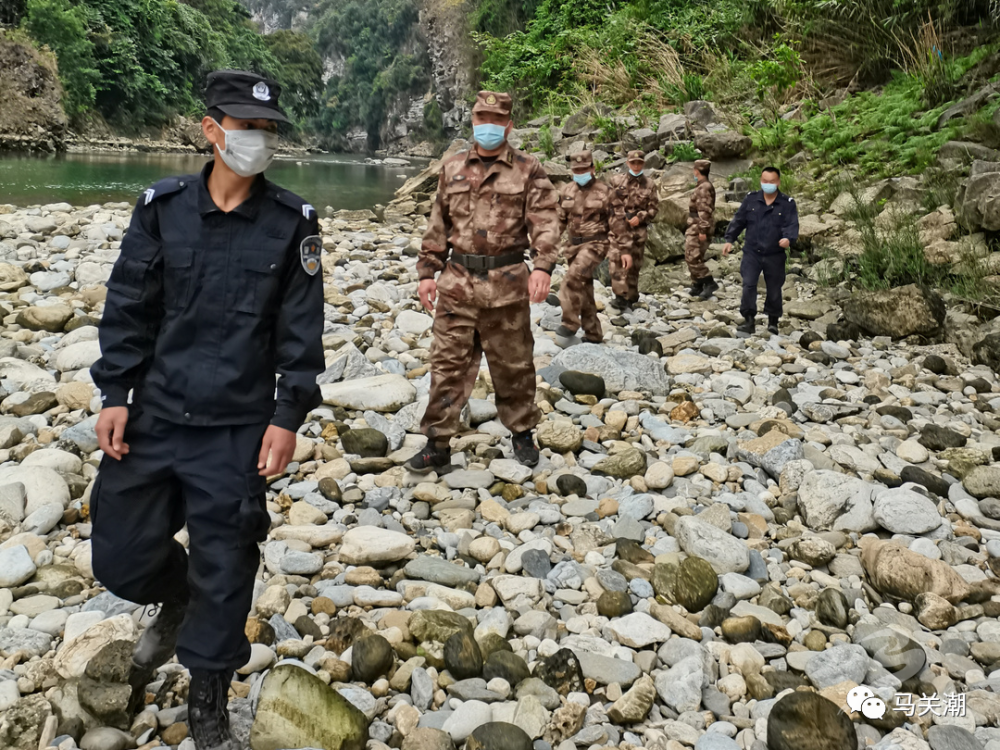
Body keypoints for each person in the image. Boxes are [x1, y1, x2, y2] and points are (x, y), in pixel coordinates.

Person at [89, 70, 324, 750]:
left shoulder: (292, 225)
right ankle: (179, 593)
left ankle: (209, 696)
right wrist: (114, 394)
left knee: (228, 563)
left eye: (267, 130)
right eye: (246, 127)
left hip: (237, 428)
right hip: (156, 416)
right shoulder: (161, 209)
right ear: (211, 130)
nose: (258, 140)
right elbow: (130, 308)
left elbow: (300, 335)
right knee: (121, 556)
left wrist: (287, 416)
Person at [409, 90, 560, 473]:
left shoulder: (528, 169)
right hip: (456, 283)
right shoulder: (452, 167)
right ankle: (437, 443)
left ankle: (522, 432)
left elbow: (544, 219)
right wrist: (427, 270)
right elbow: (438, 223)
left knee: (514, 365)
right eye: (482, 119)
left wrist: (542, 266)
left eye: (496, 120)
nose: (488, 126)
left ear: (508, 125)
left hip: (506, 285)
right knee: (447, 364)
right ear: (473, 122)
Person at [554, 150, 632, 347]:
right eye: (576, 169)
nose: (580, 172)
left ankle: (569, 323)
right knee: (585, 289)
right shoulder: (566, 192)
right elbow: (558, 221)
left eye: (584, 169)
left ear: (592, 168)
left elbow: (618, 222)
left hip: (596, 244)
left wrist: (624, 249)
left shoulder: (605, 192)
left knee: (572, 279)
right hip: (573, 245)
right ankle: (593, 334)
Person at [723, 166, 799, 336]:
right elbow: (739, 220)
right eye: (765, 181)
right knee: (748, 284)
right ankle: (749, 320)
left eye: (772, 182)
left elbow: (792, 224)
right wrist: (729, 239)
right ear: (761, 181)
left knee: (774, 288)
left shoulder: (787, 203)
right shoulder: (751, 200)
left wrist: (788, 238)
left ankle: (773, 321)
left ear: (778, 182)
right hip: (752, 252)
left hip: (775, 253)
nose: (768, 184)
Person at [608, 150, 658, 309]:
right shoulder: (616, 181)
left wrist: (641, 217)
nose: (636, 166)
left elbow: (654, 210)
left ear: (643, 163)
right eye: (633, 162)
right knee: (616, 261)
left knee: (634, 266)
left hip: (638, 231)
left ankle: (631, 296)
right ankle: (620, 296)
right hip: (619, 229)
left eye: (639, 163)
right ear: (627, 163)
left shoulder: (650, 184)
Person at [685, 159, 718, 299]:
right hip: (695, 225)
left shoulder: (703, 188)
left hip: (699, 226)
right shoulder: (702, 186)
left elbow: (704, 210)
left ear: (696, 171)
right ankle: (697, 283)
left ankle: (708, 282)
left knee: (693, 256)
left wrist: (703, 230)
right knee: (692, 254)